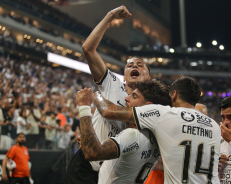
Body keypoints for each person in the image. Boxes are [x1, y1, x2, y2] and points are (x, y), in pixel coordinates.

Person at [66, 5, 151, 184]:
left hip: (117, 171)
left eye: (140, 64)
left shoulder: (153, 102)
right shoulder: (112, 82)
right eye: (129, 65)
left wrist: (97, 99)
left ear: (149, 76)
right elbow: (88, 48)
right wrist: (110, 16)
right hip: (86, 166)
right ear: (125, 75)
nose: (134, 66)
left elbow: (107, 111)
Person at [94, 76, 221, 183]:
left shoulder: (164, 114)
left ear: (174, 94)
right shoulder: (214, 125)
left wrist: (97, 94)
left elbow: (108, 110)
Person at [77, 79, 171, 183]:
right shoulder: (156, 141)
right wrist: (90, 142)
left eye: (134, 96)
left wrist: (84, 106)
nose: (126, 98)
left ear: (148, 107)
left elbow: (92, 153)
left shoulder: (132, 135)